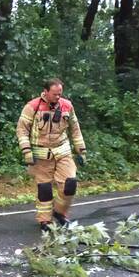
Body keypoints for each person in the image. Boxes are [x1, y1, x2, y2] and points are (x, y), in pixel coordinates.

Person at [16, 78, 87, 231]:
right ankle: (45, 221)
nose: (57, 97)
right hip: (41, 155)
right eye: (54, 94)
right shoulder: (32, 107)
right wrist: (26, 150)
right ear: (46, 92)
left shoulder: (67, 106)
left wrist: (81, 150)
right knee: (45, 189)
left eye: (59, 94)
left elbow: (75, 128)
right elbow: (22, 130)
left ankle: (60, 212)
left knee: (70, 184)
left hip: (63, 151)